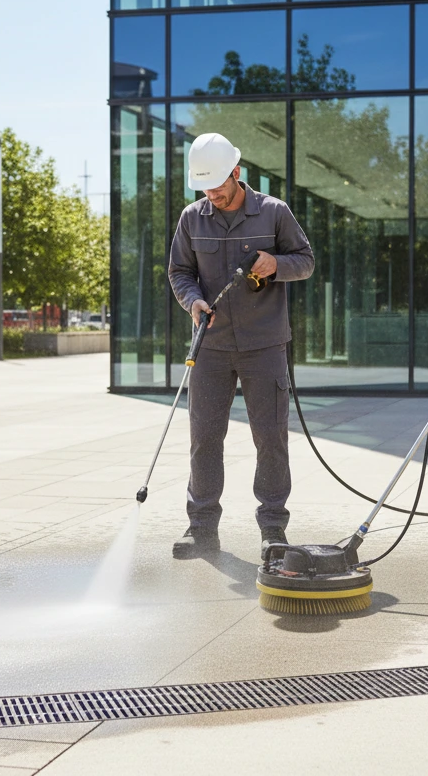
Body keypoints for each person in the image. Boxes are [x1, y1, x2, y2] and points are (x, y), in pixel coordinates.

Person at [168, 132, 315, 561]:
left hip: (265, 345)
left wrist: (276, 265)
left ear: (237, 172)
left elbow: (305, 261)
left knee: (270, 439)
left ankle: (273, 529)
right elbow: (179, 271)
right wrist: (192, 300)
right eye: (205, 188)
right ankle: (201, 529)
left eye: (218, 185)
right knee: (204, 438)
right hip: (211, 346)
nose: (212, 194)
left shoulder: (273, 212)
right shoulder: (191, 218)